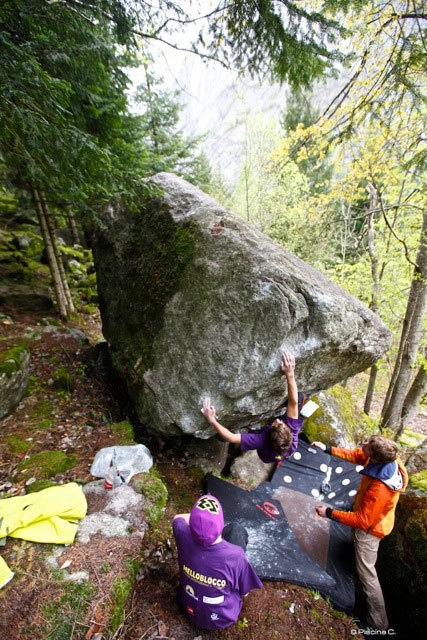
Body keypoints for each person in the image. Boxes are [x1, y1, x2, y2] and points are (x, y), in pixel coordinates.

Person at [313, 435, 408, 631]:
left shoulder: (381, 488)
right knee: (360, 562)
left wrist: (329, 513)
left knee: (367, 574)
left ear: (376, 458)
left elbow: (363, 520)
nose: (363, 444)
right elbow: (358, 455)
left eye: (368, 445)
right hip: (373, 519)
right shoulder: (387, 460)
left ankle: (378, 624)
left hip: (370, 531)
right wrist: (328, 448)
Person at [172, 494, 262, 630]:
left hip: (187, 607)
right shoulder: (236, 556)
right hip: (220, 619)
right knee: (236, 530)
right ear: (220, 525)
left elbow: (177, 518)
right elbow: (245, 593)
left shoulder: (181, 533)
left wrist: (200, 518)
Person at [201, 351, 305, 464]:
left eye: (276, 423)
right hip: (279, 452)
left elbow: (231, 437)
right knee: (299, 398)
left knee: (256, 431)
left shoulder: (261, 440)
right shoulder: (292, 435)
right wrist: (290, 373)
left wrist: (213, 421)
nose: (278, 420)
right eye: (282, 423)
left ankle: (253, 430)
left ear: (269, 431)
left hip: (265, 456)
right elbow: (293, 402)